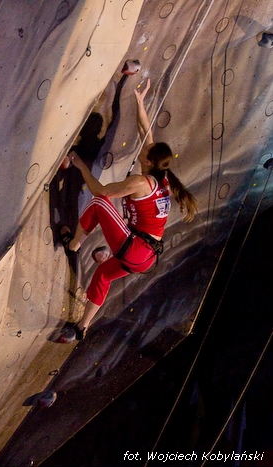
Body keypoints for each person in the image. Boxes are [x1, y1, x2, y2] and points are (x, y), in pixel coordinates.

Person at [62, 79, 197, 342]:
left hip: (136, 247)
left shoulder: (141, 182)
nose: (144, 146)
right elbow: (145, 130)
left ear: (148, 161)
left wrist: (81, 167)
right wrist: (139, 101)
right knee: (103, 275)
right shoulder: (162, 177)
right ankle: (82, 327)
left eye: (146, 150)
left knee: (100, 204)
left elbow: (101, 192)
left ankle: (73, 245)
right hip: (145, 258)